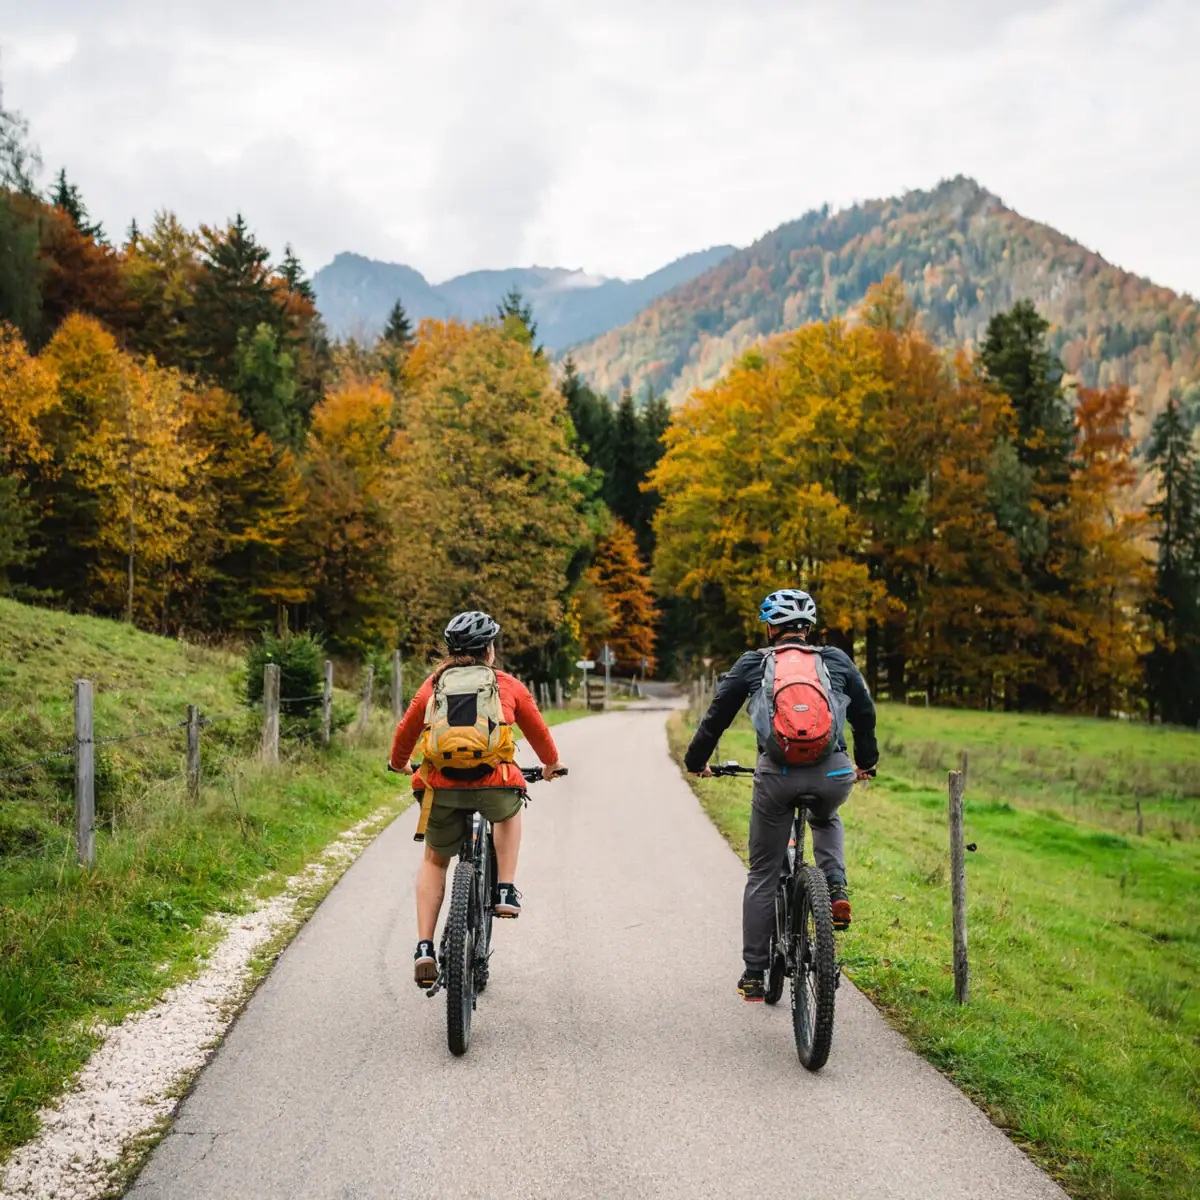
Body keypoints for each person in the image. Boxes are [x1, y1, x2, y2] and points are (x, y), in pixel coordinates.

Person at [684, 589, 878, 1002]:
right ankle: (836, 889)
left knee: (764, 872)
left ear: (771, 628)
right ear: (808, 629)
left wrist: (696, 760)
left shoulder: (755, 663)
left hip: (777, 776)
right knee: (826, 818)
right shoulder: (835, 660)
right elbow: (864, 712)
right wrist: (866, 761)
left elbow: (717, 714)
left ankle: (754, 973)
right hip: (833, 771)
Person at [389, 610, 565, 988]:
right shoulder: (507, 685)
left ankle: (423, 947)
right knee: (510, 809)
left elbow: (405, 732)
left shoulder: (433, 685)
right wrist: (551, 764)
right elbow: (538, 732)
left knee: (435, 861)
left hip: (440, 787)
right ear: (489, 650)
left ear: (451, 652)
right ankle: (505, 888)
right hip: (494, 783)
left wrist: (399, 764)